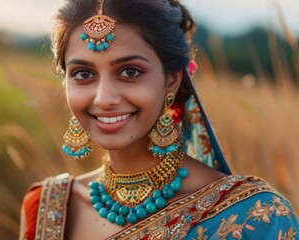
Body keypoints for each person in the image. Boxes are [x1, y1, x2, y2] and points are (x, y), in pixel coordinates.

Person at [19, 0, 299, 239]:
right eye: (83, 74)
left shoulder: (257, 216)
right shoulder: (46, 208)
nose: (104, 98)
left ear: (172, 80)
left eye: (130, 72)